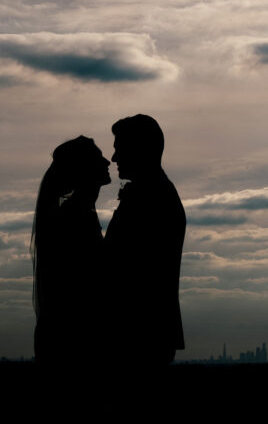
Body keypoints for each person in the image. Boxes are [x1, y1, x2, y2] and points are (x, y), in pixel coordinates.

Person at [105, 114, 186, 366]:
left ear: (140, 149)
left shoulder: (151, 197)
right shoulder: (153, 192)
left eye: (120, 149)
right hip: (147, 332)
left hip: (139, 334)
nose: (114, 158)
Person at [30, 135, 111, 365]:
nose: (107, 162)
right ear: (83, 168)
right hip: (74, 341)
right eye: (98, 158)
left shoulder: (79, 212)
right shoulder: (74, 217)